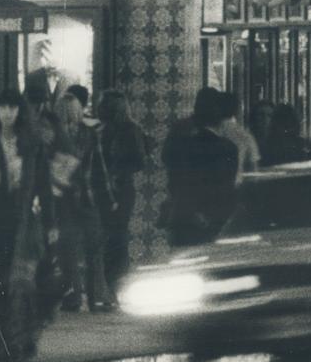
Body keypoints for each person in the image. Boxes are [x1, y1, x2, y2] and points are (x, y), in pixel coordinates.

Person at [0, 86, 56, 362]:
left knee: (23, 284)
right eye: (2, 107)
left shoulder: (31, 143)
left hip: (24, 222)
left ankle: (22, 342)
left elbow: (44, 186)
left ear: (20, 111)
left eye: (12, 108)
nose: (7, 113)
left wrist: (50, 222)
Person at [54, 94, 114, 312]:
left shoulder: (53, 134)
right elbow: (100, 168)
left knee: (67, 249)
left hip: (62, 198)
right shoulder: (89, 134)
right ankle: (97, 296)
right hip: (87, 197)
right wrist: (109, 198)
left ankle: (74, 295)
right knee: (93, 248)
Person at [161, 87, 239, 248]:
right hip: (215, 223)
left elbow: (176, 180)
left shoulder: (183, 141)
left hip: (182, 218)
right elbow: (227, 187)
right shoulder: (228, 147)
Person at [96, 91, 148, 291]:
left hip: (117, 187)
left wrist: (117, 171)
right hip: (120, 187)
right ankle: (114, 281)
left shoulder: (111, 130)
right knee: (116, 234)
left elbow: (137, 161)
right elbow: (139, 161)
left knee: (114, 234)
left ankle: (114, 281)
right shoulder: (128, 129)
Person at [218, 89, 261, 180]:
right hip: (237, 189)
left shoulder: (211, 133)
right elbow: (253, 171)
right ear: (236, 111)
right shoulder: (245, 136)